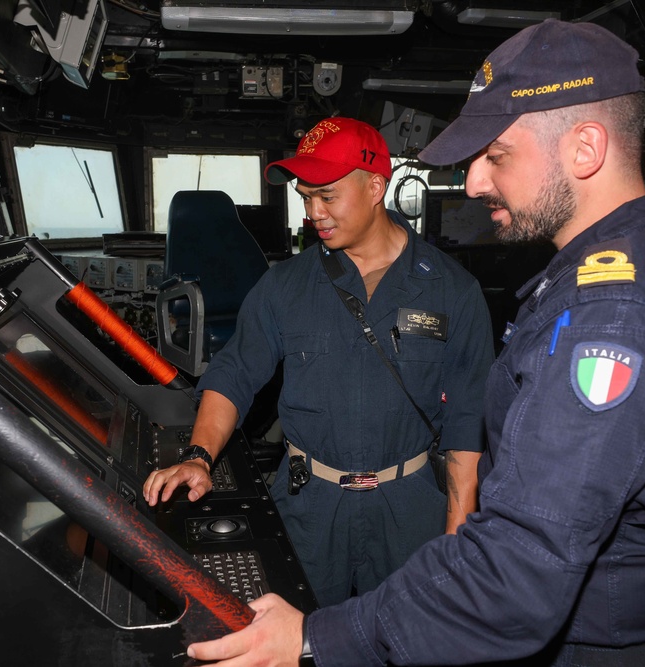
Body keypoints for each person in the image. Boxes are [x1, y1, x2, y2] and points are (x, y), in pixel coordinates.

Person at [187, 19, 645, 667]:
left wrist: (316, 637)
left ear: (584, 148)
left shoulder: (614, 314)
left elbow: (518, 567)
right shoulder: (614, 277)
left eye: (497, 155)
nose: (474, 182)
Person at [143, 116, 495, 607]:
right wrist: (199, 456)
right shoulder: (284, 286)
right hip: (311, 504)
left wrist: (457, 541)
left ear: (376, 186)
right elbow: (236, 372)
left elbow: (466, 420)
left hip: (409, 506)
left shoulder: (453, 290)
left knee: (412, 639)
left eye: (327, 195)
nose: (314, 212)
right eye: (305, 197)